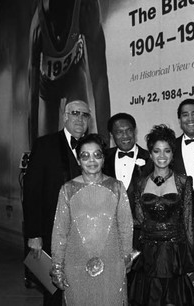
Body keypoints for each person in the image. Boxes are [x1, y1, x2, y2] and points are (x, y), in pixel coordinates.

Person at [50, 134, 134, 305]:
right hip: (75, 263)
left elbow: (126, 226)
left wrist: (126, 258)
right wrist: (57, 267)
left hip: (112, 263)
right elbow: (60, 231)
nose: (92, 160)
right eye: (85, 156)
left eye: (97, 155)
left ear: (103, 159)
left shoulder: (117, 187)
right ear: (78, 160)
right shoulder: (68, 189)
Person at [23, 100, 90, 305]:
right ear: (65, 116)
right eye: (75, 113)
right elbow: (32, 192)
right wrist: (34, 234)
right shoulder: (45, 145)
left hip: (86, 236)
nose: (80, 118)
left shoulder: (95, 147)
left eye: (85, 115)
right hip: (52, 233)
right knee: (53, 291)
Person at [128, 124, 194, 306]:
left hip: (174, 252)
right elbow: (139, 219)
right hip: (148, 252)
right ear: (150, 154)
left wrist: (192, 256)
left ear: (172, 154)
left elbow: (188, 220)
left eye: (167, 151)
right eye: (157, 151)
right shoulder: (140, 183)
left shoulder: (183, 181)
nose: (162, 156)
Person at [28, 0, 110, 144]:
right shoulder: (38, 27)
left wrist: (105, 143)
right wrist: (32, 149)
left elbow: (99, 78)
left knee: (80, 134)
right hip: (48, 83)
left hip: (74, 73)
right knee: (47, 144)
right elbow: (32, 96)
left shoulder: (86, 7)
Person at [103, 113, 152, 250]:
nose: (125, 136)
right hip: (109, 235)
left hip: (141, 236)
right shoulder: (102, 159)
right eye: (119, 132)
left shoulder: (150, 159)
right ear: (112, 135)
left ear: (135, 131)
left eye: (128, 130)